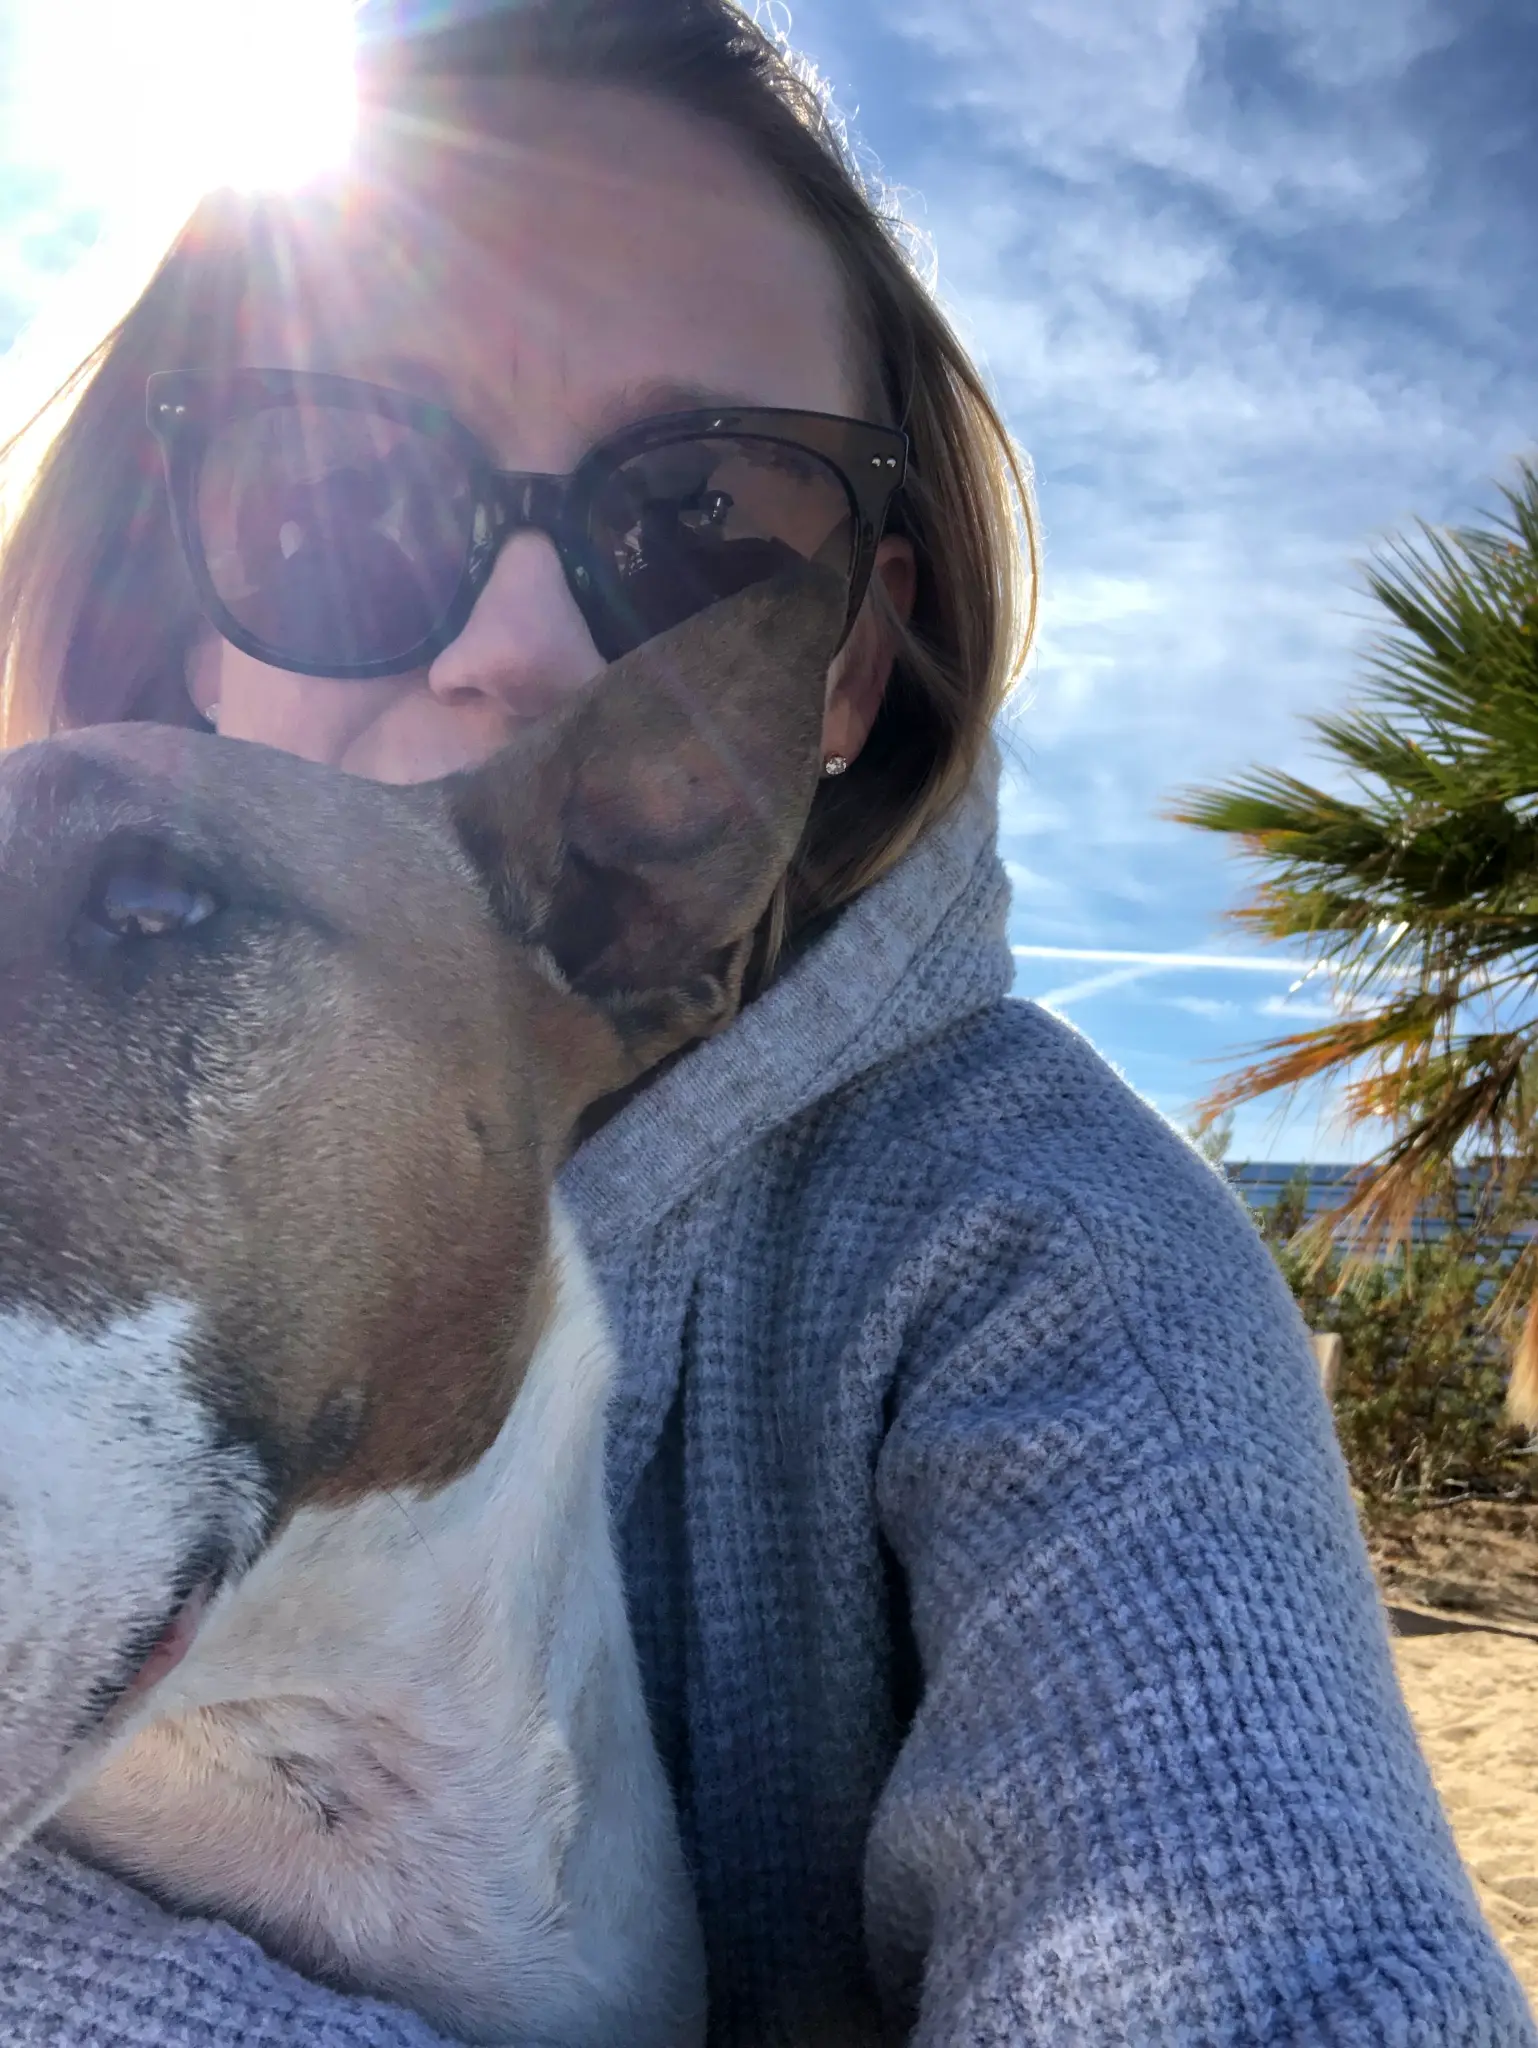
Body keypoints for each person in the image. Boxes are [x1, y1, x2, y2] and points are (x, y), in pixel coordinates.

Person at [0, 3, 1530, 2043]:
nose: (519, 647)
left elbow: (1266, 1941)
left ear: (839, 663)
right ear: (176, 577)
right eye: (343, 493)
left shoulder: (1049, 1243)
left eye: (708, 517)